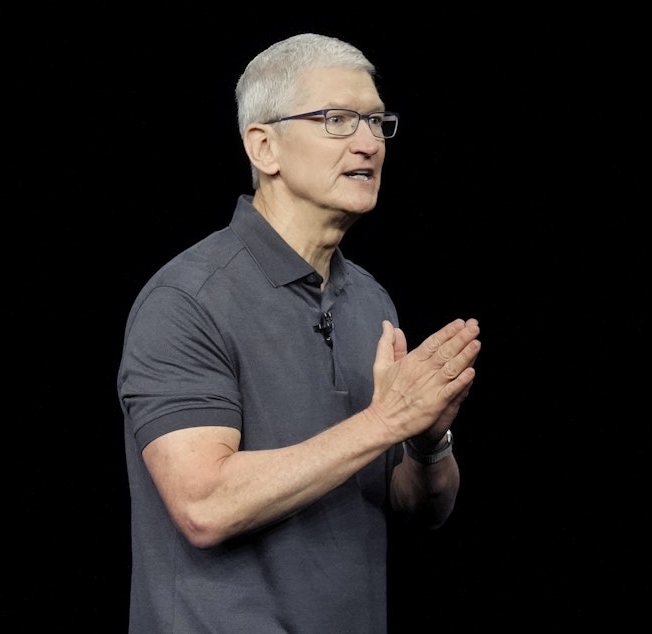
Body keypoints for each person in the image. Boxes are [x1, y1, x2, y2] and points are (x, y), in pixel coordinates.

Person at [116, 32, 481, 633]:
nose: (368, 142)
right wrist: (387, 419)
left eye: (374, 120)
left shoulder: (371, 299)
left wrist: (427, 439)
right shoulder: (185, 300)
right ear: (264, 146)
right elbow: (205, 504)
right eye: (336, 119)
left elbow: (418, 509)